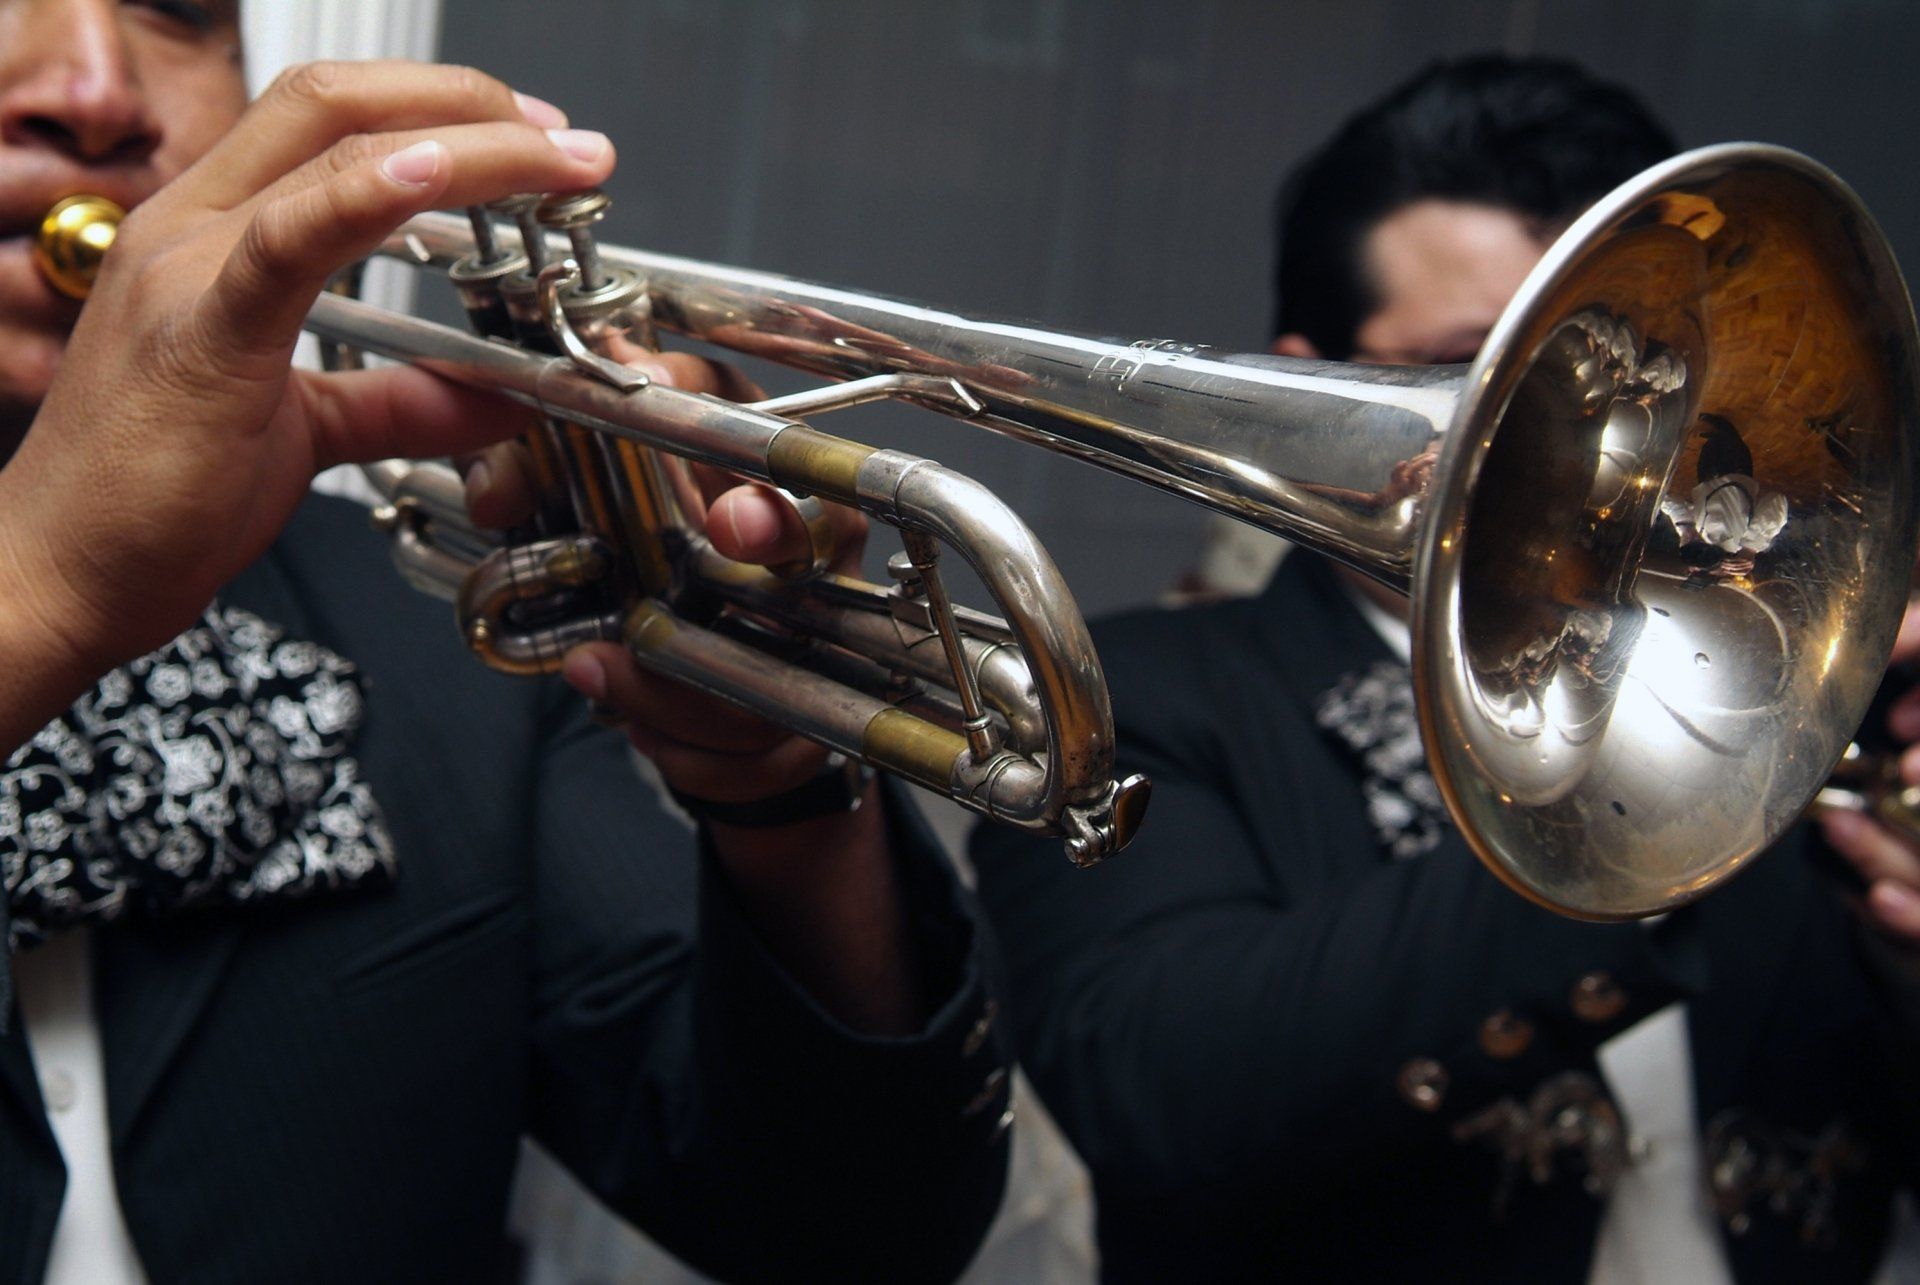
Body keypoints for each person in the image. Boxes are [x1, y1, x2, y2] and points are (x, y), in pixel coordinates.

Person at [0, 2, 1010, 1280]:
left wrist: (777, 773)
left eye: (180, 11)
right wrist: (34, 595)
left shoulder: (438, 620)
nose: (95, 91)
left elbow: (852, 1227)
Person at [973, 55, 1920, 1283]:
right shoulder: (1132, 695)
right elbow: (1160, 1095)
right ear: (1301, 389)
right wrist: (1687, 794)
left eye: (1632, 373)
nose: (1597, 446)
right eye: (1486, 364)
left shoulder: (1831, 694)